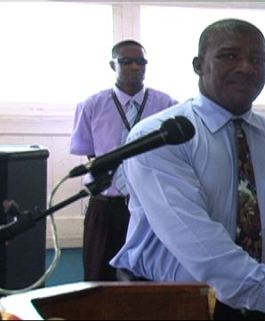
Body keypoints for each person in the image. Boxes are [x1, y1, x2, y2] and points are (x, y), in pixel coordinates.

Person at [110, 19, 265, 320]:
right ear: (198, 65)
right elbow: (197, 241)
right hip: (175, 302)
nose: (246, 67)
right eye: (230, 56)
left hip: (264, 302)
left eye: (257, 59)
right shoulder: (159, 136)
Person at [70, 40, 177, 281]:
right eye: (126, 61)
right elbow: (89, 154)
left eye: (141, 61)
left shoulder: (166, 105)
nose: (134, 66)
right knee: (98, 276)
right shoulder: (91, 105)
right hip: (106, 205)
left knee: (149, 276)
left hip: (150, 205)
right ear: (112, 64)